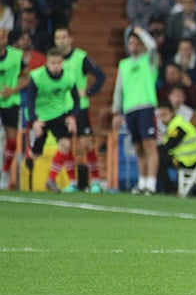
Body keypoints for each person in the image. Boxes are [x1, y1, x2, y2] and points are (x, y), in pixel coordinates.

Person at [53, 27, 105, 192]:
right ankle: (72, 182)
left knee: (86, 143)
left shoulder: (80, 57)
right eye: (57, 38)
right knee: (65, 144)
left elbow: (100, 75)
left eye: (63, 37)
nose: (61, 41)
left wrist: (89, 91)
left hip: (79, 107)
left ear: (70, 39)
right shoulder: (54, 60)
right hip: (61, 108)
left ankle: (96, 181)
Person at [111, 27, 159, 195]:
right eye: (130, 43)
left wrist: (142, 32)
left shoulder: (148, 61)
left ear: (141, 45)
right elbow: (119, 88)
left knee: (149, 145)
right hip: (130, 109)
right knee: (138, 147)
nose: (132, 46)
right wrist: (116, 111)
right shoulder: (123, 65)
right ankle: (142, 182)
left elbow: (153, 46)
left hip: (146, 106)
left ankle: (151, 184)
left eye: (136, 43)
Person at [25, 48, 80, 193]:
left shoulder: (68, 77)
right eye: (52, 63)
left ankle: (51, 179)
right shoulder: (37, 76)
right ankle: (29, 154)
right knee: (37, 153)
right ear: (47, 63)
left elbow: (77, 100)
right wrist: (34, 120)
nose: (56, 66)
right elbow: (29, 100)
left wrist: (72, 116)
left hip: (58, 115)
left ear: (62, 63)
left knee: (65, 144)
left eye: (58, 63)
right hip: (40, 116)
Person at [156, 103, 196, 194]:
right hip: (194, 158)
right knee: (159, 156)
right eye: (160, 116)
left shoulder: (178, 125)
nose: (162, 118)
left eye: (165, 114)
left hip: (189, 160)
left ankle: (169, 189)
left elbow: (169, 145)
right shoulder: (179, 123)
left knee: (158, 158)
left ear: (172, 112)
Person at [0, 28, 27, 189]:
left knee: (11, 139)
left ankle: (5, 173)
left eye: (3, 37)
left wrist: (13, 90)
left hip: (11, 101)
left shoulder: (16, 56)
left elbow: (26, 77)